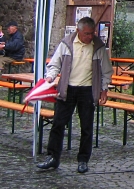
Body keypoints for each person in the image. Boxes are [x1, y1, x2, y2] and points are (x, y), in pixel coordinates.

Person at [37, 17, 113, 173]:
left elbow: (106, 71)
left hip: (87, 90)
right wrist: (51, 76)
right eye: (86, 33)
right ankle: (53, 157)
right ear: (78, 31)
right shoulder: (66, 44)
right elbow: (54, 64)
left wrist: (104, 89)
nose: (90, 36)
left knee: (86, 127)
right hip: (67, 89)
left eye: (92, 33)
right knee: (58, 124)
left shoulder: (98, 47)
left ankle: (83, 160)